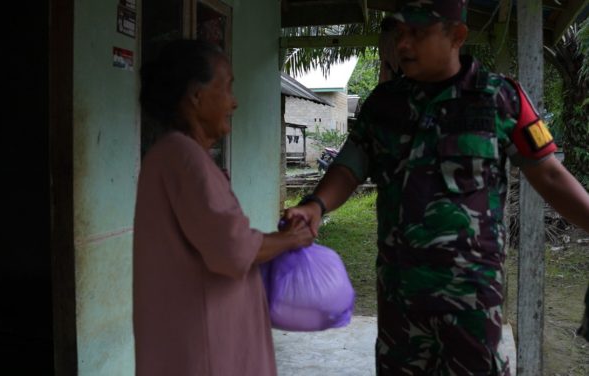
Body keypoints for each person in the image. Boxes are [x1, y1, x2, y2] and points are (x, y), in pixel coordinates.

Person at [285, 1, 589, 375]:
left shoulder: (500, 98)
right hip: (401, 296)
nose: (404, 45)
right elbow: (349, 167)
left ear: (456, 36)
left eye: (419, 33)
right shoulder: (384, 105)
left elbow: (551, 176)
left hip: (471, 297)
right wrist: (316, 204)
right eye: (400, 34)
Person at [133, 39, 314, 376]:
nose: (234, 102)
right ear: (196, 95)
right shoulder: (184, 158)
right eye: (227, 86)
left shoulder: (173, 156)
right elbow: (232, 250)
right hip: (205, 348)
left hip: (193, 338)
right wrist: (292, 240)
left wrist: (275, 240)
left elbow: (218, 237)